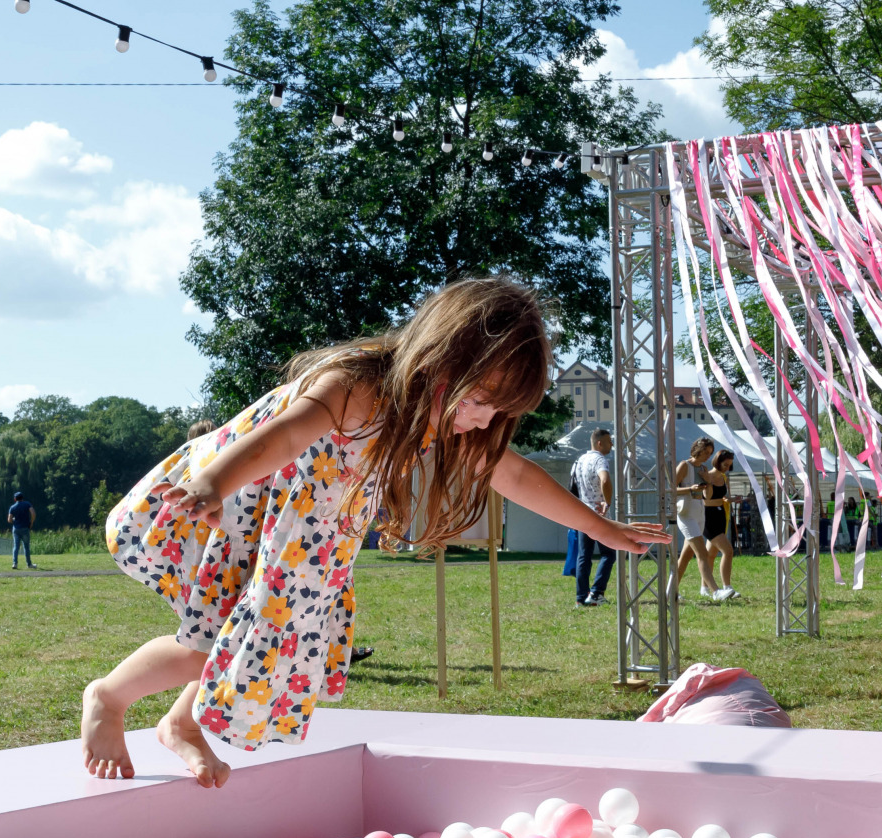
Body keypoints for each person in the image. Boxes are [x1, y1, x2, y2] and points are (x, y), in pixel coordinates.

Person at [80, 278, 670, 785]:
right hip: (248, 509)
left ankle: (182, 722)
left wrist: (601, 526)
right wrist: (213, 482)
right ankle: (108, 697)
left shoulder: (439, 418)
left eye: (498, 414)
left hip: (308, 544)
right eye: (483, 401)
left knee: (253, 637)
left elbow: (512, 474)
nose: (484, 421)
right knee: (210, 642)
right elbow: (286, 434)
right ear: (444, 357)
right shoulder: (359, 385)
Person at [571, 429, 617, 607]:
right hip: (599, 514)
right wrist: (607, 502)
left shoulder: (581, 460)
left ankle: (580, 598)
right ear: (599, 443)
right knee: (609, 554)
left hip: (583, 512)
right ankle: (597, 592)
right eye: (609, 441)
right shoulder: (599, 459)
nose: (611, 444)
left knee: (584, 556)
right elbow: (605, 480)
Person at [672, 437, 717, 598]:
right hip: (686, 513)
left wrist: (708, 481)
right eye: (705, 452)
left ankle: (670, 591)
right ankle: (715, 591)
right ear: (697, 449)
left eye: (710, 453)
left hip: (699, 512)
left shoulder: (704, 469)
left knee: (685, 557)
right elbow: (669, 489)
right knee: (702, 553)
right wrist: (690, 488)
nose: (707, 456)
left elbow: (708, 496)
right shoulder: (685, 465)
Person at [702, 450, 740, 600]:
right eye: (725, 464)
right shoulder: (707, 477)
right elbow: (706, 499)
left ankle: (704, 588)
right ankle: (727, 587)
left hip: (720, 516)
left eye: (729, 465)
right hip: (708, 517)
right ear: (717, 461)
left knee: (710, 555)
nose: (727, 468)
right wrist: (721, 500)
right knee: (728, 551)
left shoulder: (724, 478)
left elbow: (723, 497)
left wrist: (731, 499)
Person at [7, 491, 35, 569]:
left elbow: (9, 519)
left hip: (16, 529)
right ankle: (29, 564)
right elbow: (33, 513)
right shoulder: (27, 504)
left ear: (15, 499)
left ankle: (15, 563)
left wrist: (13, 520)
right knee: (26, 547)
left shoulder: (12, 507)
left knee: (16, 547)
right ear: (22, 498)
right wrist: (31, 522)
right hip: (25, 528)